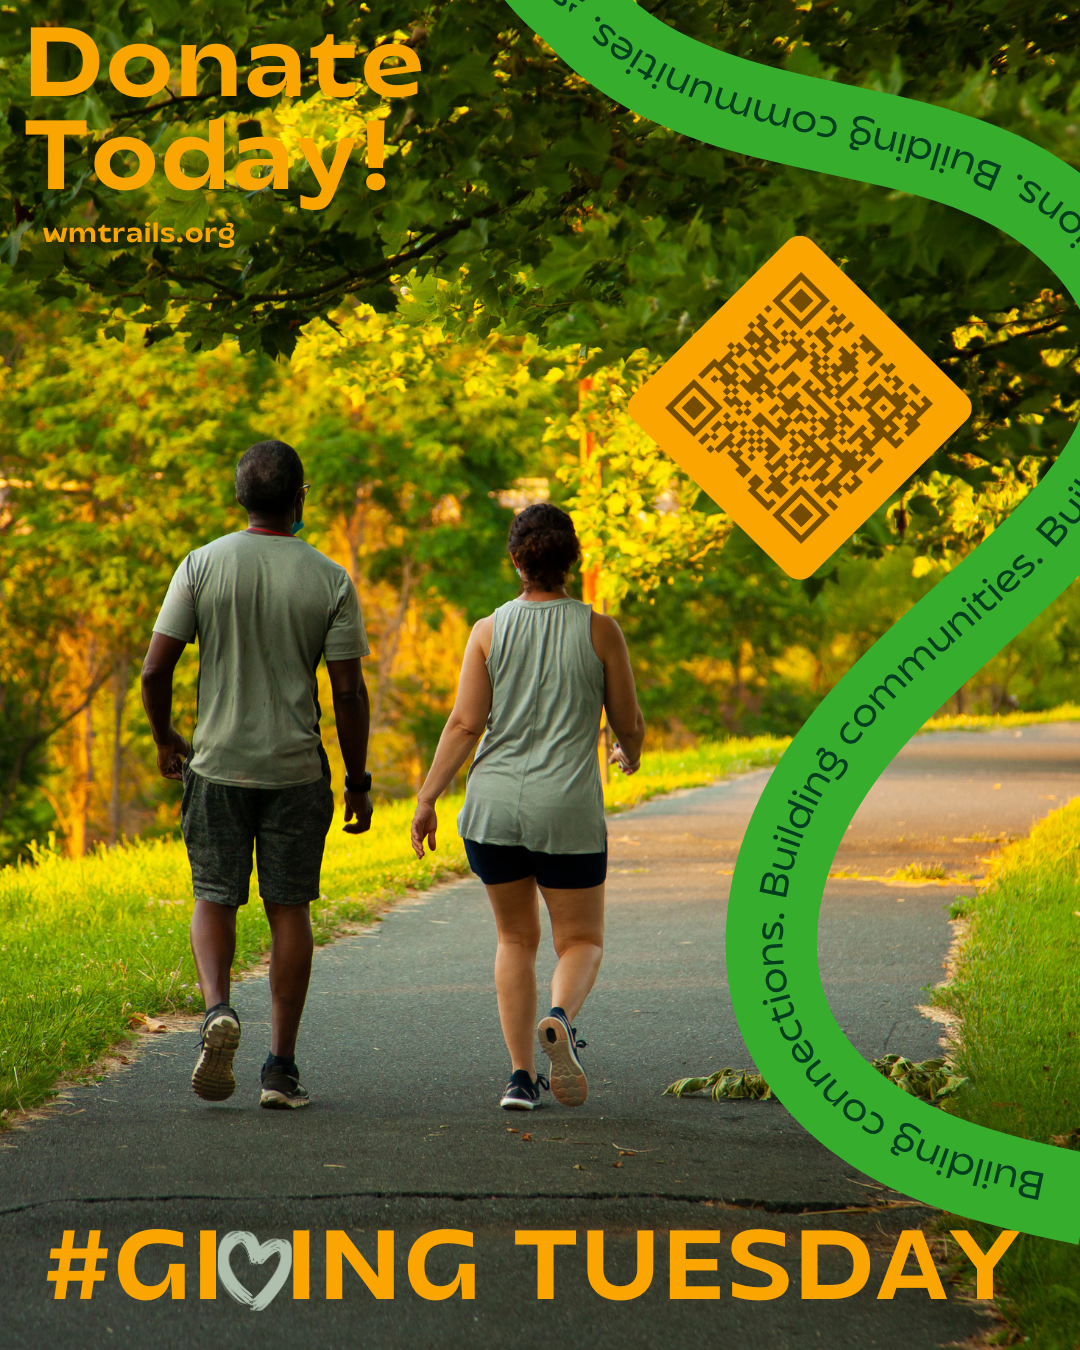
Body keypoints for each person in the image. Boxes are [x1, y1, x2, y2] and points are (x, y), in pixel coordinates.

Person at [141, 440, 374, 1110]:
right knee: (289, 908)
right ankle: (281, 1068)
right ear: (300, 498)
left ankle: (218, 1010)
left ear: (240, 497)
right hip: (297, 770)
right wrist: (357, 779)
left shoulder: (201, 566)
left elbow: (157, 669)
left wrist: (166, 739)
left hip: (216, 765)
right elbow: (348, 692)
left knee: (214, 895)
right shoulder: (329, 578)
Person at [410, 503, 645, 1111]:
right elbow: (629, 723)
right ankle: (559, 1019)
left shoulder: (488, 631)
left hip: (493, 810)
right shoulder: (600, 631)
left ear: (516, 559)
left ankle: (520, 1079)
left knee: (515, 940)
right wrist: (629, 752)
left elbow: (465, 723)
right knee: (581, 941)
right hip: (564, 810)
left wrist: (428, 796)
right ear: (572, 559)